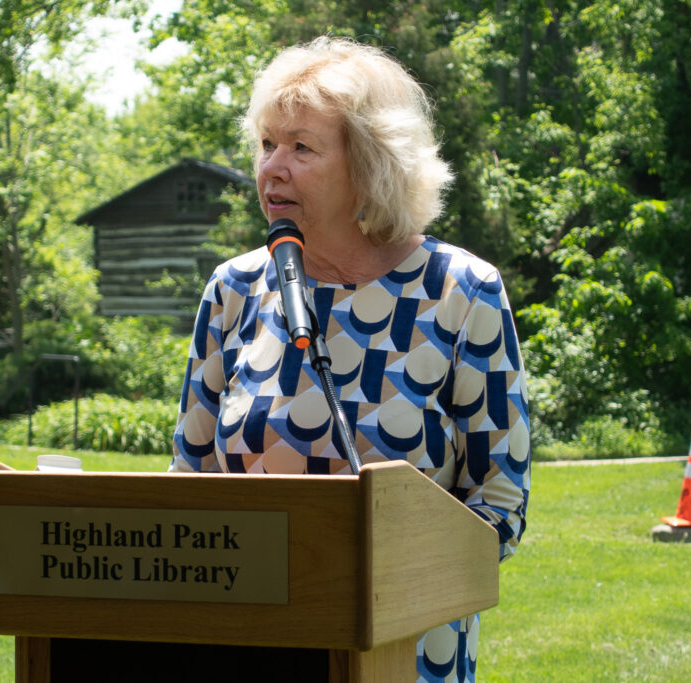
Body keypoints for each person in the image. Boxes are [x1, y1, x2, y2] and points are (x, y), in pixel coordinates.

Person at [169, 36, 530, 683]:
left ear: (370, 164)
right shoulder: (232, 290)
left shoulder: (460, 291)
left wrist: (376, 590)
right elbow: (187, 477)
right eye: (266, 144)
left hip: (407, 658)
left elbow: (499, 503)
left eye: (301, 147)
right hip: (245, 652)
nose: (272, 168)